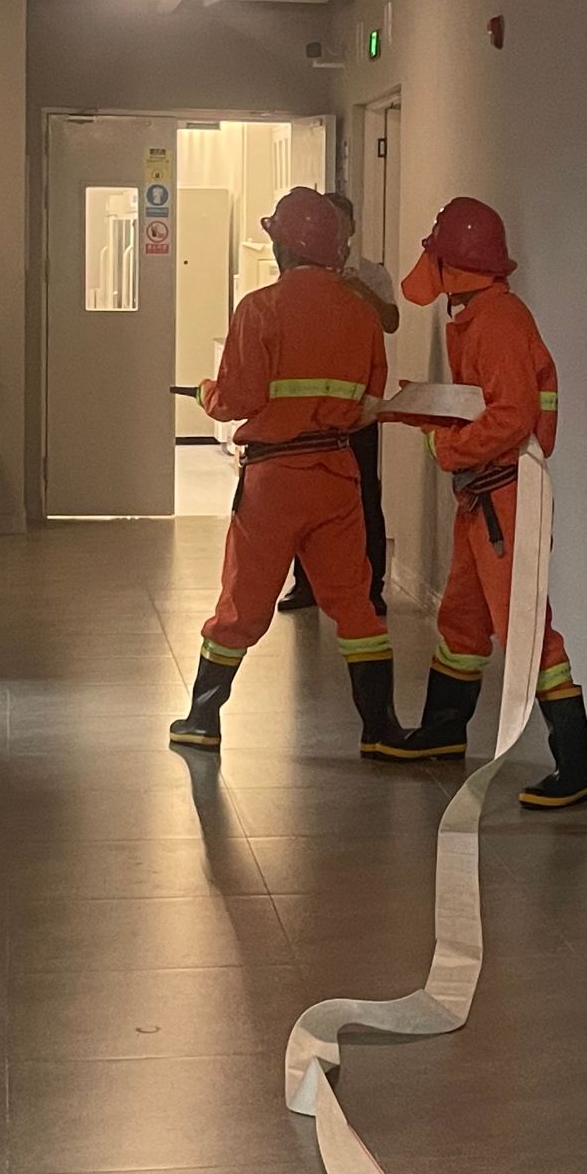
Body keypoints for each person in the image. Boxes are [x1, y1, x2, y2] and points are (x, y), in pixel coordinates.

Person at [379, 197, 587, 809]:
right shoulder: (480, 316)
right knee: (463, 620)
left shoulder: (497, 322)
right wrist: (425, 410)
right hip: (487, 497)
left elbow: (511, 416)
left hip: (506, 497)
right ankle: (444, 731)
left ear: (452, 264)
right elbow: (486, 405)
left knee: (525, 629)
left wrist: (447, 448)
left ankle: (575, 766)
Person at [170, 188, 401, 756]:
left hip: (274, 481)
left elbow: (237, 400)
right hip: (339, 474)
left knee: (242, 604)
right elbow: (369, 399)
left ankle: (202, 719)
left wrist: (206, 393)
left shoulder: (259, 308)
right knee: (355, 604)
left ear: (283, 247)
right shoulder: (362, 313)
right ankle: (380, 729)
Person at [278, 192, 395, 617]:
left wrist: (355, 288)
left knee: (364, 493)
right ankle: (306, 583)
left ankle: (373, 586)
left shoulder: (372, 273)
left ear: (351, 227)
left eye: (339, 222)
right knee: (305, 495)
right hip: (310, 407)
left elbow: (391, 321)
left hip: (358, 405)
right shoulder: (299, 275)